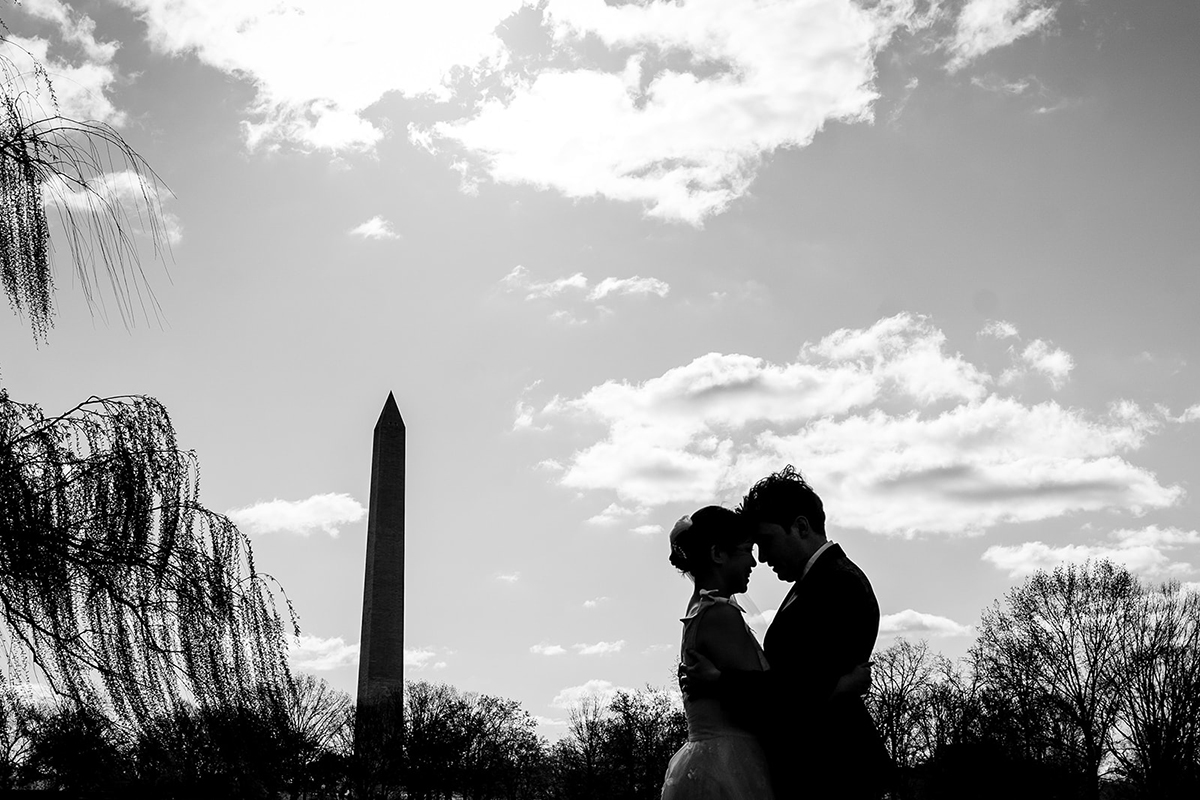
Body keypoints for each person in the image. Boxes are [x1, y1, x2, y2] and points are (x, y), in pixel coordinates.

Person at [682, 466, 891, 800]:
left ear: (801, 527)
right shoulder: (815, 583)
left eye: (766, 542)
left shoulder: (838, 584)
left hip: (833, 772)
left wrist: (719, 682)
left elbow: (799, 690)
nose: (762, 558)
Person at [660, 505, 775, 800]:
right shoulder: (721, 615)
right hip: (729, 763)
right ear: (718, 554)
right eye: (746, 550)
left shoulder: (699, 610)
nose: (753, 561)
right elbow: (760, 703)